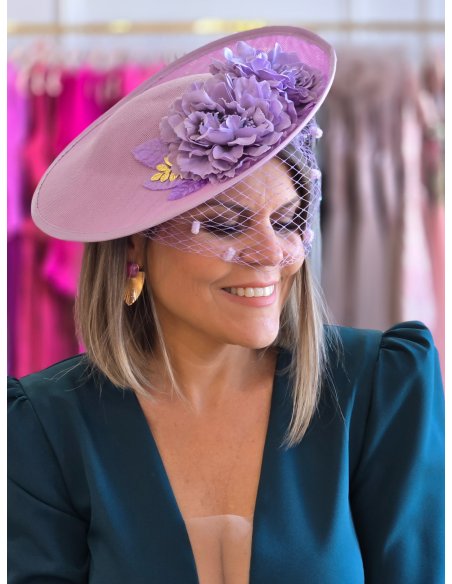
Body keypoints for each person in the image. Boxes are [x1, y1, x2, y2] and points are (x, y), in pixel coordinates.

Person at [8, 26, 444, 584]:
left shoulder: (378, 388)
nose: (272, 253)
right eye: (223, 225)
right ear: (135, 247)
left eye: (285, 221)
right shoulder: (44, 426)